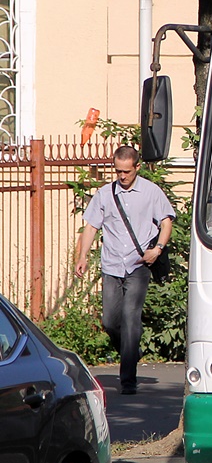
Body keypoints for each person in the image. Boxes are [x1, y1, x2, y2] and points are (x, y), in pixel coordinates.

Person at [74, 145, 175, 395]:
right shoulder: (105, 195)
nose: (122, 176)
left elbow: (166, 221)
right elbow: (90, 227)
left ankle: (127, 379)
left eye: (126, 172)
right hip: (111, 265)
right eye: (118, 171)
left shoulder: (151, 192)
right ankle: (132, 350)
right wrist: (83, 255)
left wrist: (158, 249)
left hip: (139, 264)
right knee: (110, 321)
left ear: (137, 167)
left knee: (131, 317)